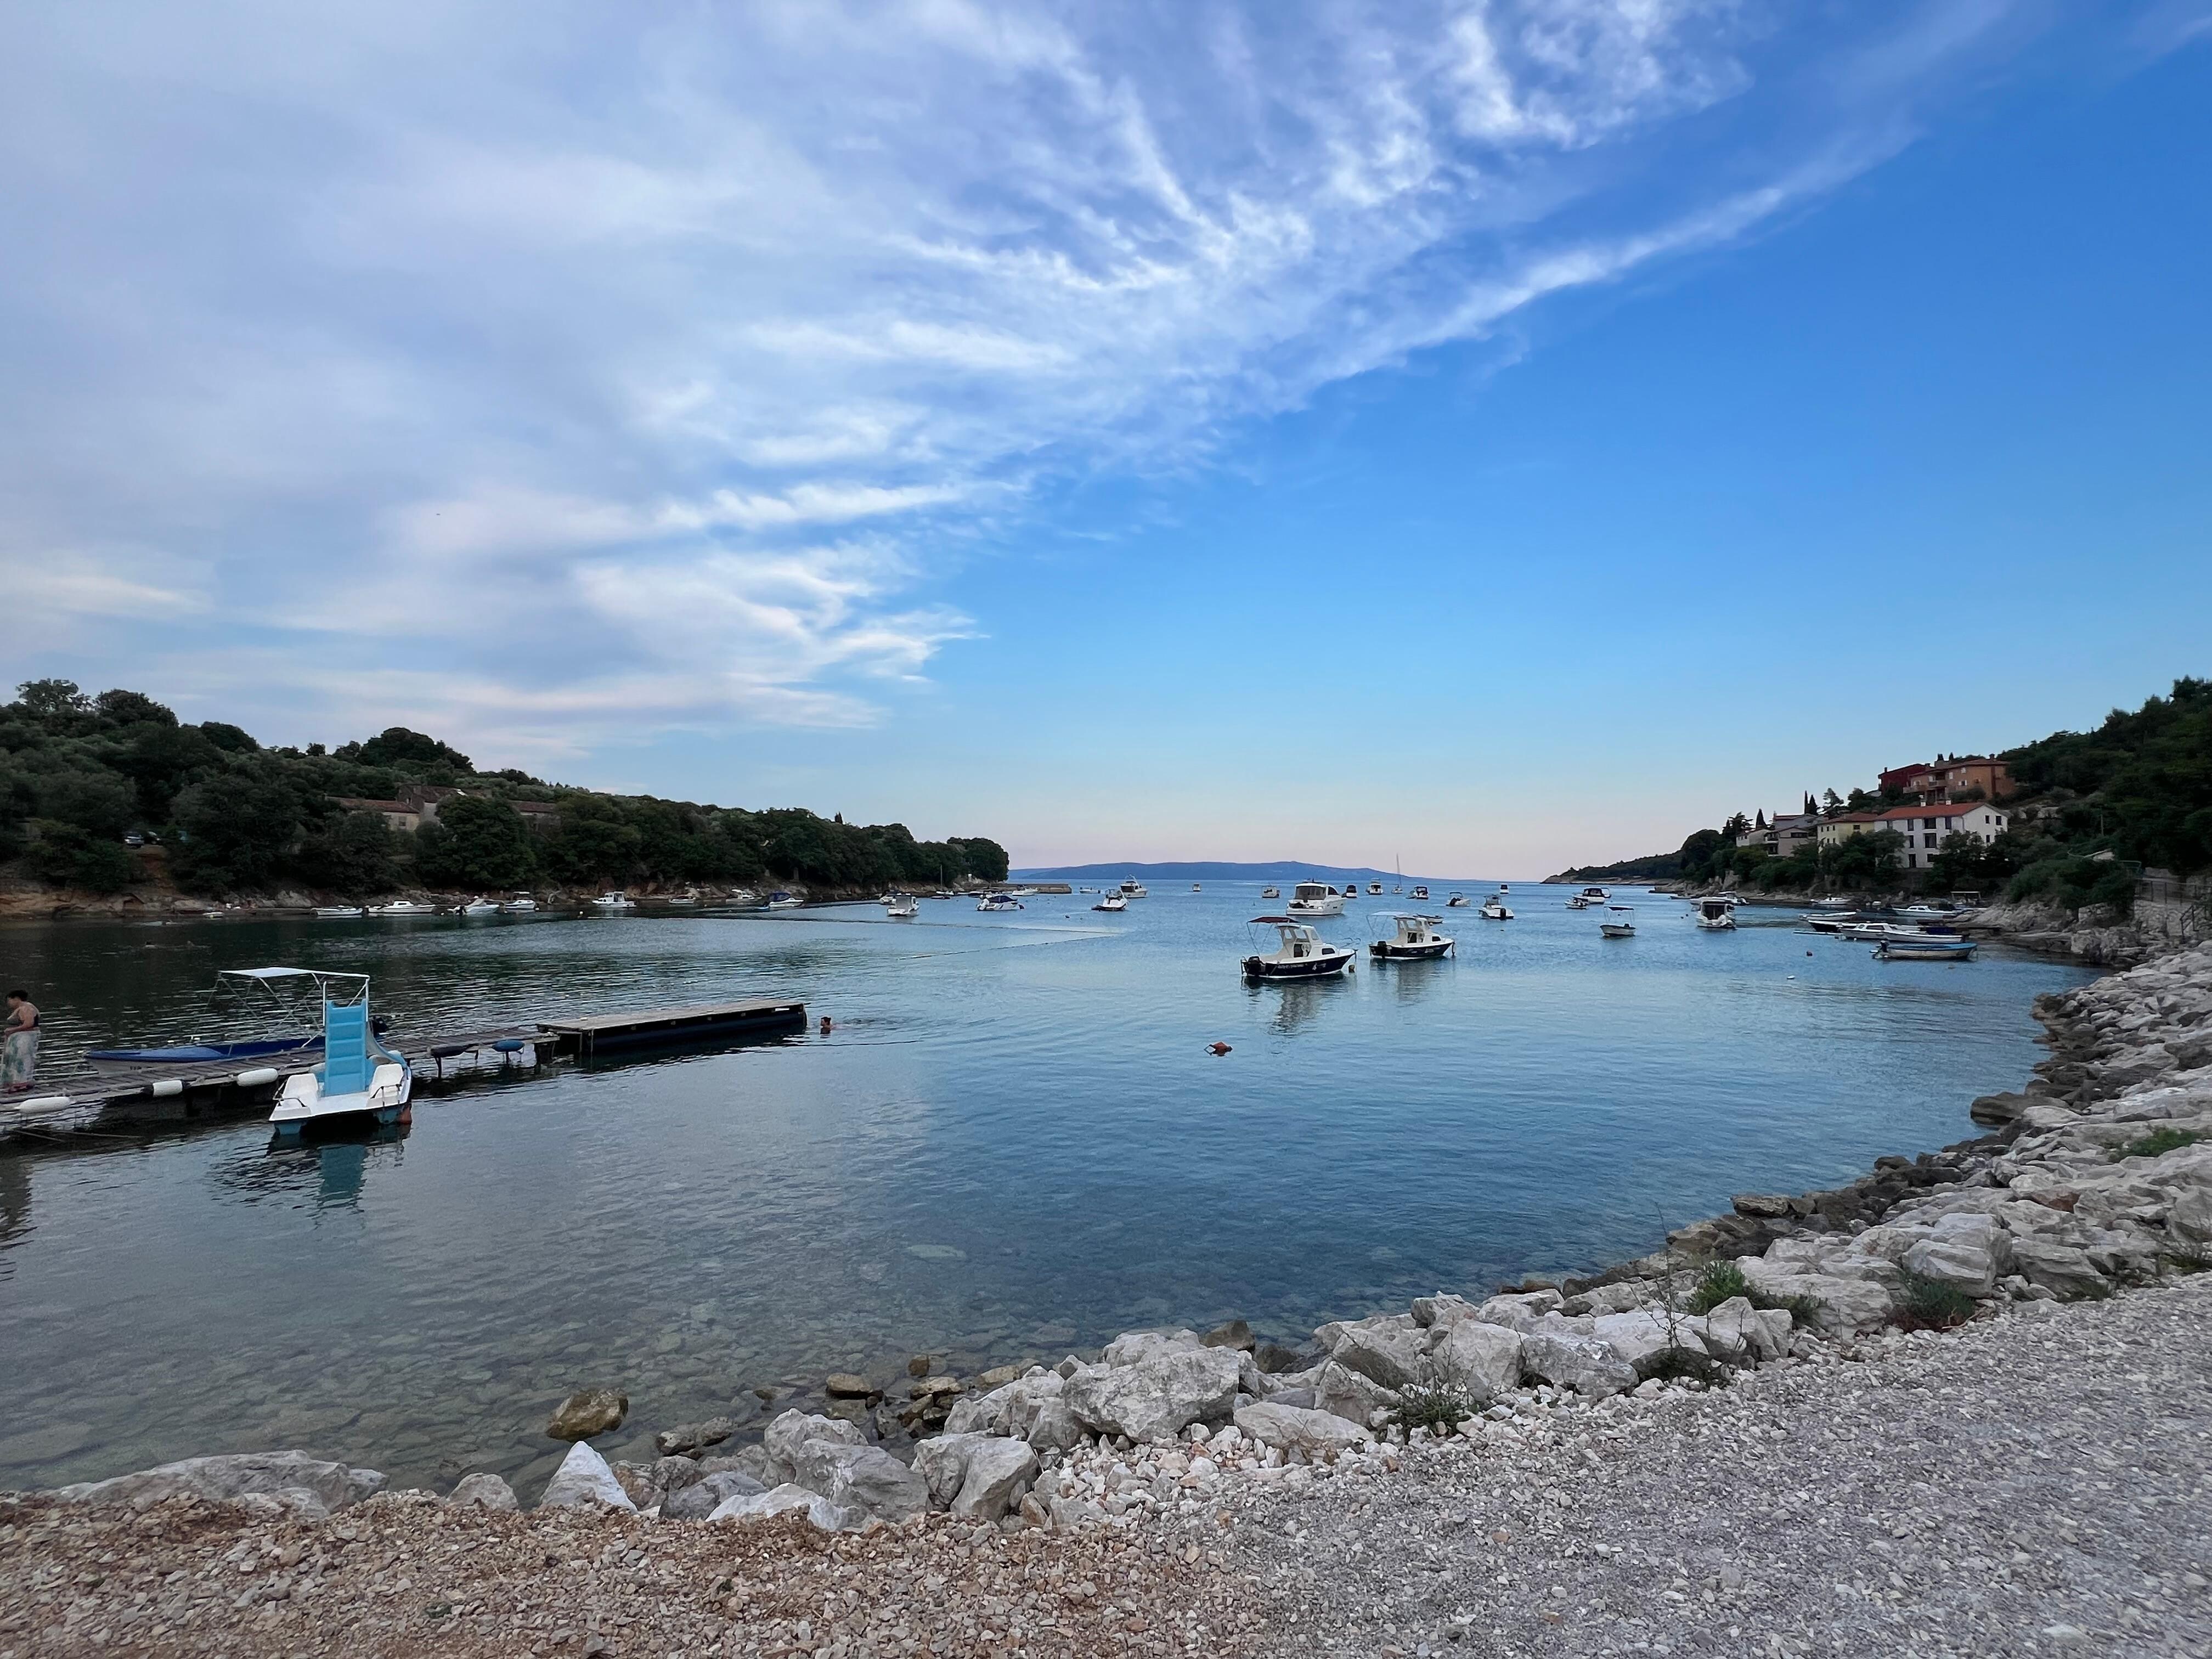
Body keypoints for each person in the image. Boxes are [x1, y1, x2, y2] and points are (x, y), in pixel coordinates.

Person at [2, 989, 38, 1093]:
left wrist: (12, 1030)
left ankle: (21, 1084)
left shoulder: (26, 1008)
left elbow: (29, 1023)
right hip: (20, 1038)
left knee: (21, 1060)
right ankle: (19, 1082)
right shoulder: (23, 1007)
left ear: (16, 999)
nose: (9, 1003)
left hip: (25, 1037)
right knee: (18, 1060)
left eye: (10, 1001)